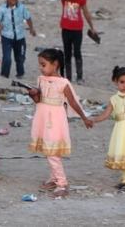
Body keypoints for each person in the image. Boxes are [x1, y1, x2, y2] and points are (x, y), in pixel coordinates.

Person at [28, 48, 93, 198]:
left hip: (55, 119)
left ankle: (62, 183)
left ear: (55, 64)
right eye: (40, 64)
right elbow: (38, 100)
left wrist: (84, 118)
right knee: (49, 149)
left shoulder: (63, 83)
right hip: (42, 116)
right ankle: (54, 178)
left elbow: (73, 103)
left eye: (43, 64)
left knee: (52, 151)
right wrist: (33, 95)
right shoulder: (40, 80)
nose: (40, 68)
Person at [59, 0, 97, 84]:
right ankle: (68, 78)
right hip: (65, 29)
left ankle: (79, 77)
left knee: (77, 53)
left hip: (77, 30)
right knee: (67, 53)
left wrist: (92, 27)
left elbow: (86, 13)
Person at [0, 0, 36, 79]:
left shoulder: (22, 8)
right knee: (7, 58)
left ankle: (20, 74)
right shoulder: (2, 9)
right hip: (6, 38)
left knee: (20, 58)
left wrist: (31, 28)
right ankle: (4, 75)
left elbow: (28, 18)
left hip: (20, 38)